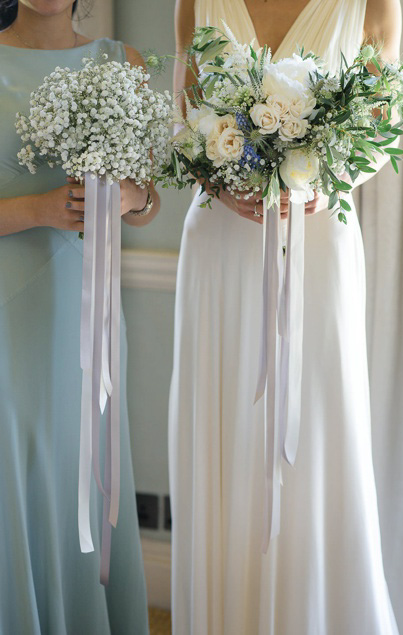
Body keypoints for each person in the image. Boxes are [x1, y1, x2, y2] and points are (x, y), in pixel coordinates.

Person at [168, 0, 402, 632]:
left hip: (319, 235)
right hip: (221, 240)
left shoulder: (375, 5)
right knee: (227, 413)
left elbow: (383, 124)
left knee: (322, 418)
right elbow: (184, 122)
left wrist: (331, 181)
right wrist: (219, 182)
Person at [0, 1, 160, 632]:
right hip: (9, 308)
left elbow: (147, 199)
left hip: (85, 311)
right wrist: (39, 209)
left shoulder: (123, 62)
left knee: (80, 464)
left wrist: (126, 196)